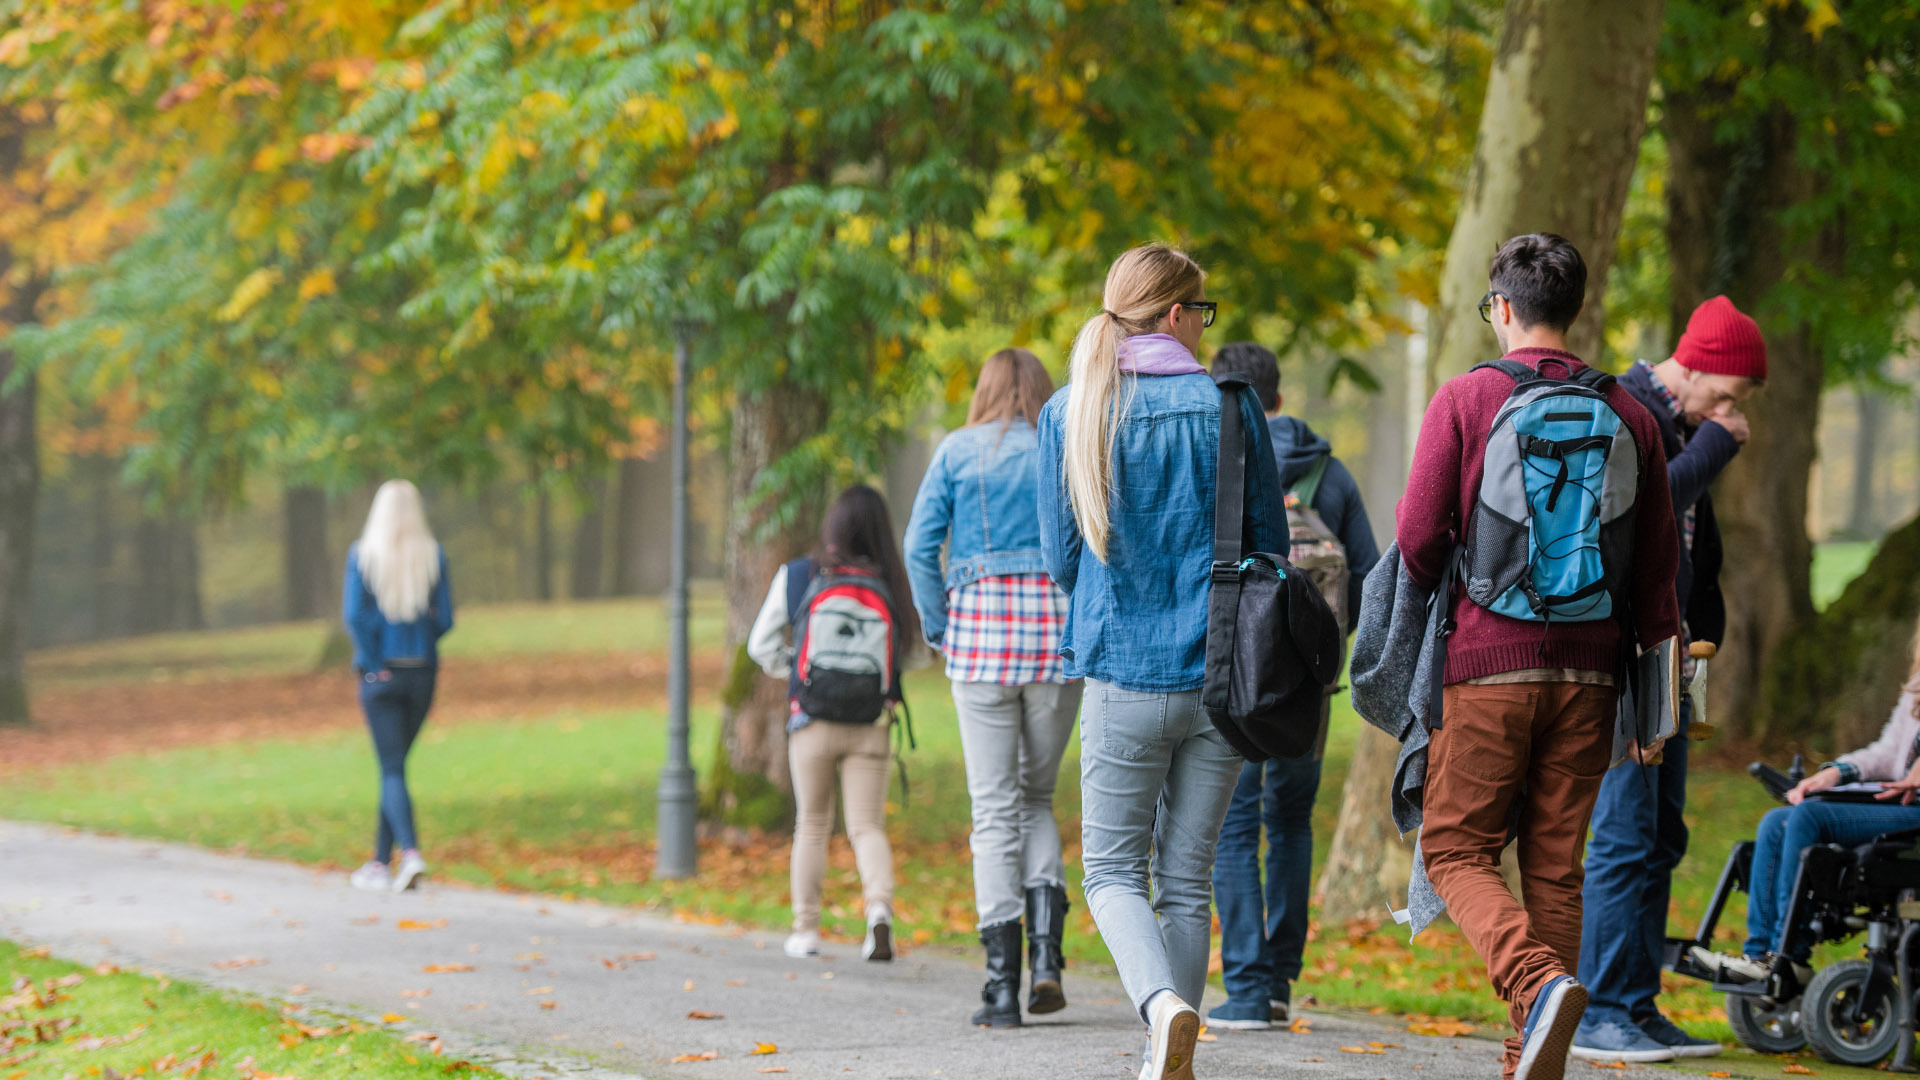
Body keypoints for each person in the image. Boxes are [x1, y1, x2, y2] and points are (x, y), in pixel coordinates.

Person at [1397, 234, 1681, 1080]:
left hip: (1488, 665)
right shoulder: (1633, 415)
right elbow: (1660, 572)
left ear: (1505, 308)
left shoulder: (1467, 398)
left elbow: (1417, 539)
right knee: (1556, 864)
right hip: (1595, 671)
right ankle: (1536, 1055)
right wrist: (1657, 705)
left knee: (1452, 850)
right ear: (1576, 309)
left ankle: (1538, 980)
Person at [1037, 243, 1286, 1080]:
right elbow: (1268, 549)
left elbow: (1061, 558)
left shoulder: (1073, 409)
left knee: (1111, 869)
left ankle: (1162, 1012)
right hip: (1219, 679)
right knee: (1187, 877)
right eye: (1202, 312)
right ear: (1178, 315)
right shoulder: (1233, 405)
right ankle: (1169, 1047)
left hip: (1121, 671)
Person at [1573, 296, 1766, 1063]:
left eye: (1739, 405)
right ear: (1697, 366)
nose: (1733, 413)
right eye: (1728, 394)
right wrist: (1717, 442)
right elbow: (1644, 512)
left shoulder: (1686, 426)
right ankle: (1598, 1013)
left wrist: (1706, 622)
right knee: (1623, 833)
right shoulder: (1631, 412)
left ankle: (1638, 1003)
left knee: (1661, 836)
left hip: (1673, 660)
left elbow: (1695, 543)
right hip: (1622, 659)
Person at [903, 348, 1084, 1028]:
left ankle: (1001, 989)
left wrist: (940, 627)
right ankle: (1046, 962)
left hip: (980, 644)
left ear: (982, 390)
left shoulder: (957, 451)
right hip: (1055, 642)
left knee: (993, 808)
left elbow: (920, 547)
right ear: (1040, 390)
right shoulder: (1063, 447)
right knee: (1035, 797)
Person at [1203, 341, 1380, 1031]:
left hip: (1237, 680)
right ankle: (1279, 982)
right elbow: (1366, 571)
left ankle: (1245, 989)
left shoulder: (1221, 458)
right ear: (1276, 398)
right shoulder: (1328, 472)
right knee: (1292, 822)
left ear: (1227, 397)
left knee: (1235, 824)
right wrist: (1323, 655)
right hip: (1308, 688)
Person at [1694, 616, 1920, 982]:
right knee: (1777, 821)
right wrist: (1835, 772)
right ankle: (1760, 955)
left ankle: (1790, 954)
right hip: (1896, 801)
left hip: (1914, 811)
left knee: (1808, 819)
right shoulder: (1916, 690)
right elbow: (1886, 753)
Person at [747, 484, 919, 964]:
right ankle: (878, 913)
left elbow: (759, 646)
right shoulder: (892, 581)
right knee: (867, 826)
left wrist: (797, 672)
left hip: (812, 721)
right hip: (872, 723)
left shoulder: (799, 574)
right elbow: (918, 654)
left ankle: (806, 931)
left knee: (813, 824)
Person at [343, 479, 454, 894]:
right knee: (396, 768)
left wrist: (373, 663)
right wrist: (420, 640)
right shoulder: (432, 556)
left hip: (381, 676)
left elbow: (355, 615)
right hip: (421, 673)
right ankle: (377, 862)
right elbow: (445, 619)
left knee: (392, 768)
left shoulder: (363, 555)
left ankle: (408, 853)